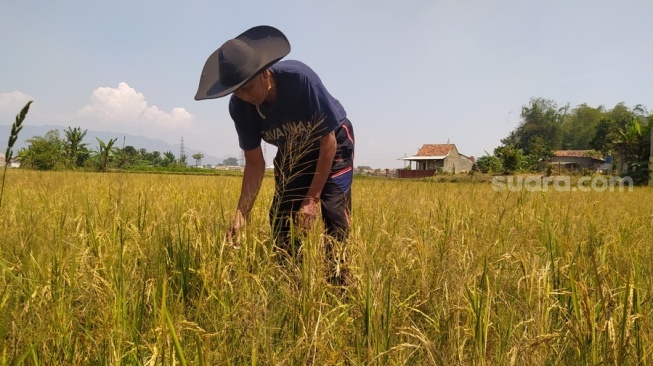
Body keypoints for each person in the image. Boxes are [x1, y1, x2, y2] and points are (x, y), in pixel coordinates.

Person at [194, 25, 354, 285]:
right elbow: (255, 163)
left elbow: (328, 142)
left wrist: (312, 198)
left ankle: (340, 289)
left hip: (333, 143)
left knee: (333, 215)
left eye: (247, 88)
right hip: (293, 150)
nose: (245, 97)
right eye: (237, 91)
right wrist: (241, 215)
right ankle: (291, 285)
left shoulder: (300, 80)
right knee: (281, 218)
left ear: (265, 73)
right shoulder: (240, 108)